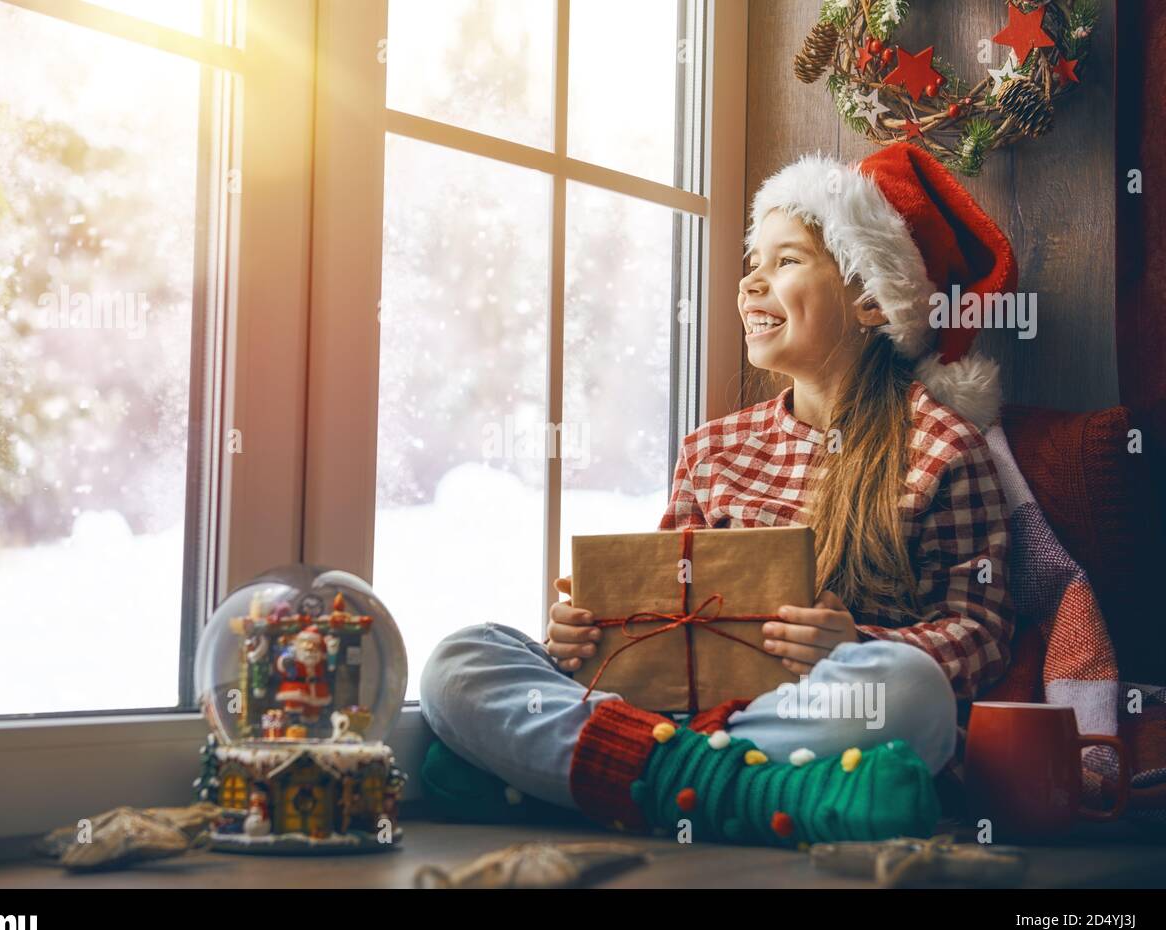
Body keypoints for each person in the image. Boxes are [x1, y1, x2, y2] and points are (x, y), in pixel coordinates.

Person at [418, 143, 1017, 843]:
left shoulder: (943, 446)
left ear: (867, 299)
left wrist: (852, 643)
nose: (750, 284)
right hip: (672, 715)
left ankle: (595, 780)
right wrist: (587, 636)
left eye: (786, 260)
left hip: (803, 714)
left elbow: (979, 634)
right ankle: (742, 792)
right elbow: (656, 624)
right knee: (459, 661)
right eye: (751, 264)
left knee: (910, 694)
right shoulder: (713, 449)